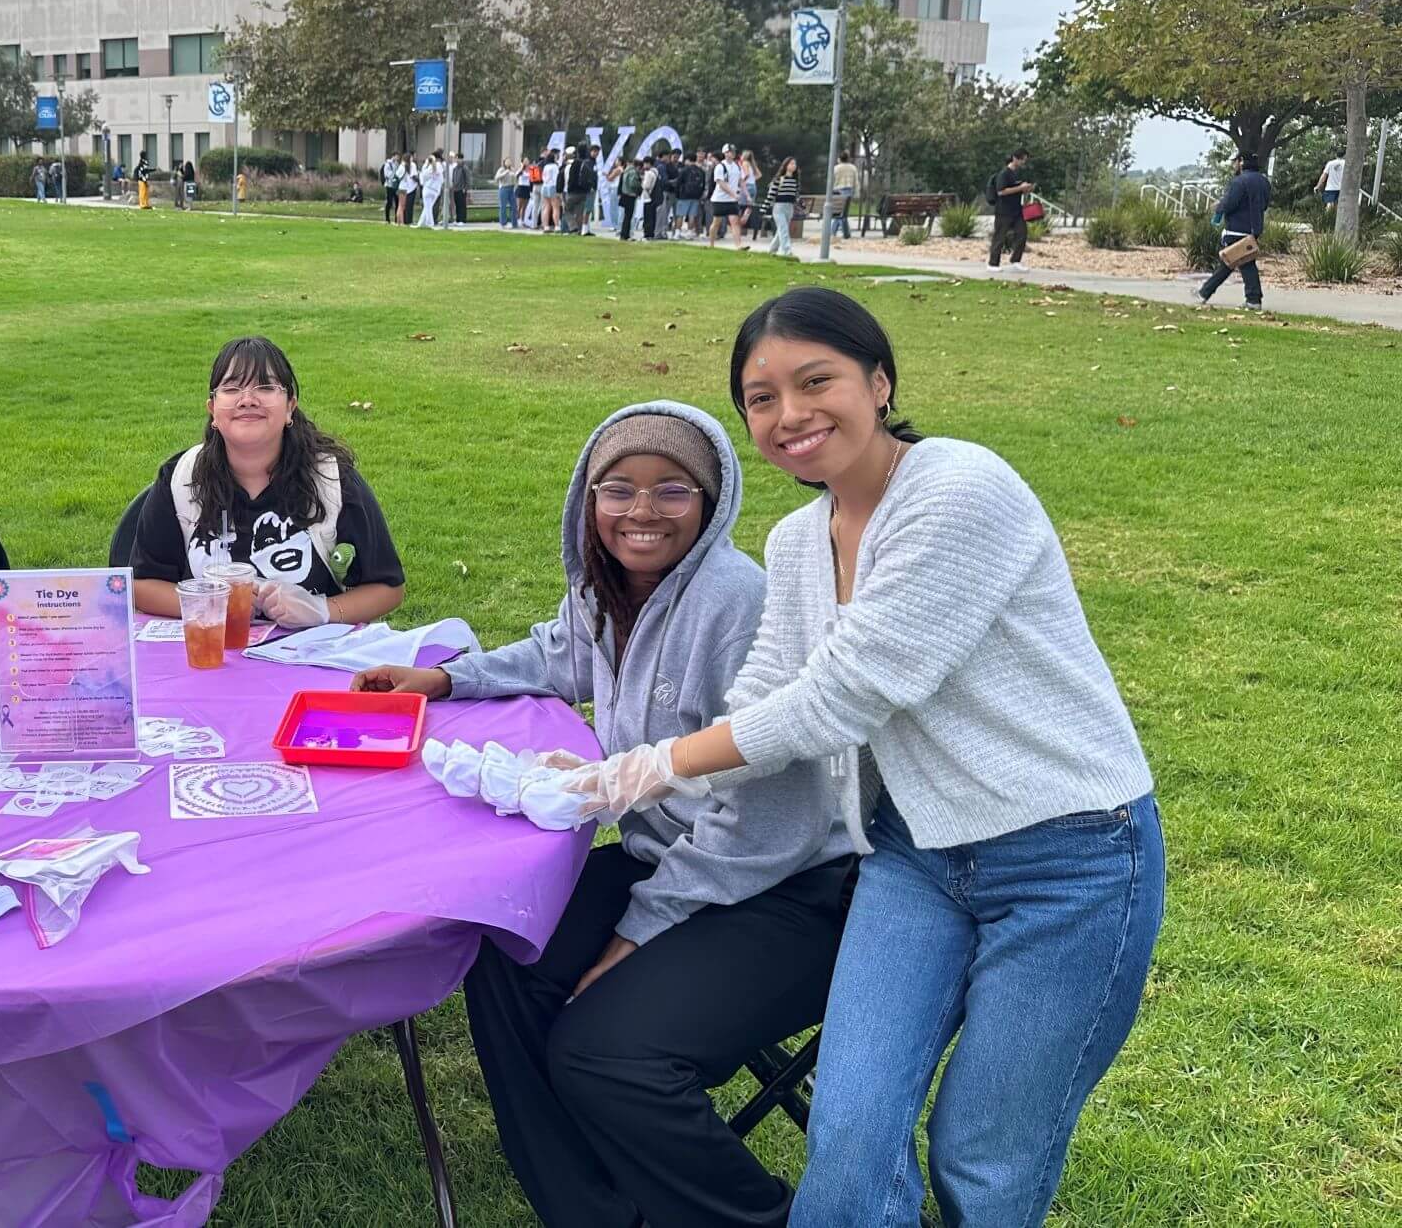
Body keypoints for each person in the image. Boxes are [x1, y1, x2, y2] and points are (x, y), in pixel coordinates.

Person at [586, 287, 1166, 1227]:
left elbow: (846, 692)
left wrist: (657, 764)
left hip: (1072, 860)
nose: (791, 416)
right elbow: (768, 696)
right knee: (850, 1136)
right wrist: (624, 777)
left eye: (817, 381)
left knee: (983, 1156)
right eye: (762, 398)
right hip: (912, 860)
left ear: (880, 381)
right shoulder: (796, 538)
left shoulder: (958, 487)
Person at [357, 401, 854, 1228]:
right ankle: (594, 1210)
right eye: (617, 489)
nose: (642, 513)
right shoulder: (610, 588)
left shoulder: (737, 607)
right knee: (510, 951)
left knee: (606, 1056)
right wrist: (445, 680)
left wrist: (637, 932)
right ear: (588, 499)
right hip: (671, 856)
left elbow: (771, 817)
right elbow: (562, 652)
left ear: (712, 499)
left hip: (790, 885)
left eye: (672, 490)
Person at [129, 335, 404, 627]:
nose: (248, 400)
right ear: (212, 409)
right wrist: (211, 605)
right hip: (215, 655)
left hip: (312, 655)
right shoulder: (182, 478)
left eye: (266, 387)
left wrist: (322, 610)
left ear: (290, 407)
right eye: (232, 388)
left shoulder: (331, 478)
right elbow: (141, 584)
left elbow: (388, 587)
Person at [1195, 152, 1271, 310]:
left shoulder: (1239, 181)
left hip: (1237, 229)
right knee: (1236, 262)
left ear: (1241, 161)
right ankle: (1206, 292)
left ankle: (1252, 300)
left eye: (1234, 161)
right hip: (1254, 228)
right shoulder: (1264, 181)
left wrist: (1219, 207)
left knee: (1234, 262)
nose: (1233, 165)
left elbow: (1230, 203)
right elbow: (1264, 205)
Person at [987, 148, 1035, 271]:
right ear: (1015, 158)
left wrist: (1026, 189)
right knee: (1000, 237)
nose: (1024, 162)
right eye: (1022, 160)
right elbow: (1001, 191)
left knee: (1022, 234)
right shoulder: (1004, 174)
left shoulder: (1016, 173)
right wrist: (1020, 188)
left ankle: (1015, 261)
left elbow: (1017, 188)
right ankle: (992, 264)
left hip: (1017, 210)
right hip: (1003, 211)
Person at [767, 155, 802, 256]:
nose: (793, 166)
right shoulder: (779, 179)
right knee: (784, 229)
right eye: (791, 163)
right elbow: (771, 195)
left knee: (782, 230)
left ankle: (772, 249)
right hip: (779, 207)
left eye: (794, 164)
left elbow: (796, 196)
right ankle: (786, 250)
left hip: (789, 207)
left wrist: (801, 204)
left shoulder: (795, 181)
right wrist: (764, 208)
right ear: (786, 165)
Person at [830, 152, 859, 240]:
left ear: (839, 159)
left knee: (839, 214)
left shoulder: (836, 168)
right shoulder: (853, 168)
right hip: (848, 191)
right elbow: (856, 182)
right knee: (842, 215)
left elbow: (831, 180)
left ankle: (833, 233)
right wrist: (856, 193)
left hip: (837, 191)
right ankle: (844, 234)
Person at [616, 157, 646, 240]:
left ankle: (623, 234)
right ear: (638, 166)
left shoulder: (626, 170)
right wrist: (639, 187)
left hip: (624, 194)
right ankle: (626, 235)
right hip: (630, 195)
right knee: (628, 216)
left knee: (626, 216)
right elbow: (633, 183)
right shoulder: (633, 172)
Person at [417, 150, 448, 229]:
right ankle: (420, 223)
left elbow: (424, 176)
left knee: (428, 207)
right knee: (428, 207)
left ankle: (430, 223)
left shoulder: (431, 166)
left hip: (428, 188)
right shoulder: (441, 166)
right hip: (436, 190)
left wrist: (427, 163)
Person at [495, 159, 520, 228]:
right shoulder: (501, 169)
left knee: (514, 206)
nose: (509, 162)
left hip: (512, 189)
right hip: (504, 188)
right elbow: (496, 178)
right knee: (503, 206)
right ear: (504, 162)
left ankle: (514, 223)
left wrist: (516, 187)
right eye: (507, 161)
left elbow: (515, 180)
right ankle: (503, 223)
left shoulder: (512, 169)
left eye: (510, 161)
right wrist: (505, 173)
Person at [382, 154, 402, 224]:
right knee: (389, 202)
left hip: (395, 186)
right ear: (393, 156)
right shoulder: (388, 164)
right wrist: (394, 176)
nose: (397, 158)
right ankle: (387, 219)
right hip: (389, 185)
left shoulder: (397, 164)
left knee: (397, 202)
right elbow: (387, 174)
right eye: (396, 156)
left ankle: (397, 219)